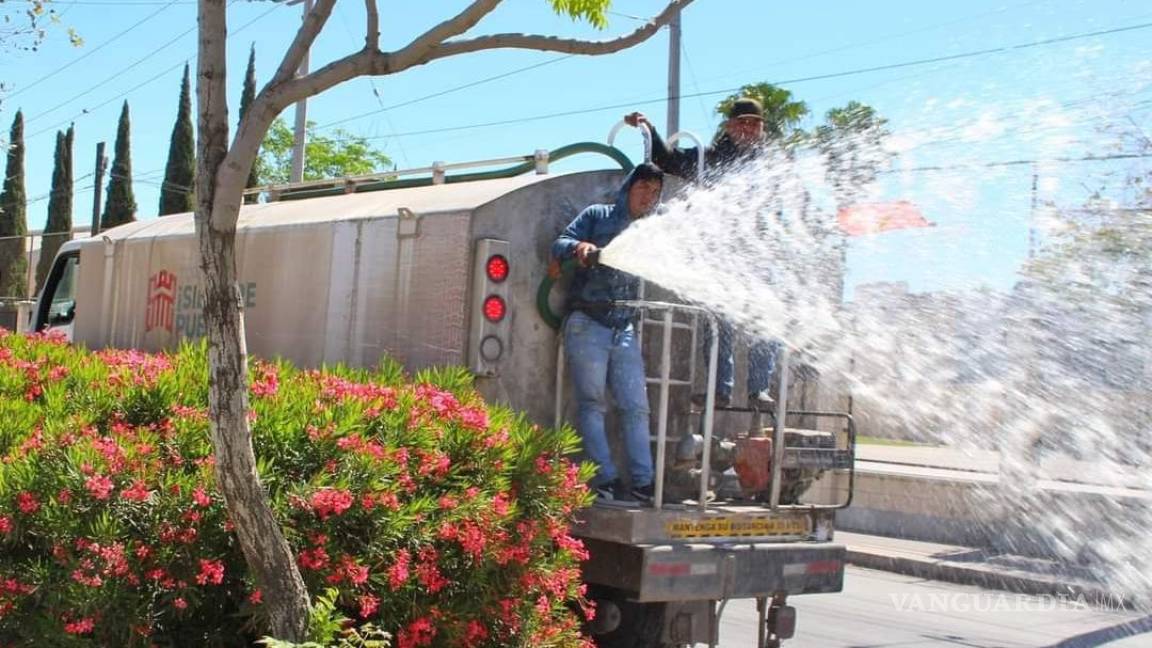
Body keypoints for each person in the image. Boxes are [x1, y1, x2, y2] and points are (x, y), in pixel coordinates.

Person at [624, 98, 781, 410]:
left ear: (762, 129)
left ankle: (758, 390)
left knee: (767, 319)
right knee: (717, 320)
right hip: (723, 253)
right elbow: (666, 160)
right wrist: (650, 128)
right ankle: (719, 389)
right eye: (742, 123)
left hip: (759, 253)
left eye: (754, 123)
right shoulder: (710, 159)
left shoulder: (771, 165)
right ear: (729, 127)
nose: (748, 129)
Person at [552, 163, 665, 503]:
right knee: (593, 404)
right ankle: (605, 477)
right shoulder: (598, 215)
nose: (648, 196)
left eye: (655, 192)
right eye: (643, 187)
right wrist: (579, 248)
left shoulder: (650, 230)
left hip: (624, 327)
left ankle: (644, 482)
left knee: (636, 406)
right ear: (629, 187)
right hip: (588, 322)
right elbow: (560, 242)